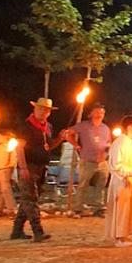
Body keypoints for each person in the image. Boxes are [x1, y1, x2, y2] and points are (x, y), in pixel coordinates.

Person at [12, 98, 68, 243]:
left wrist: (60, 139)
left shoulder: (47, 127)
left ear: (49, 112)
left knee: (28, 198)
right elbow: (19, 148)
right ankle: (38, 231)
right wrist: (23, 167)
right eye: (41, 108)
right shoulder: (26, 126)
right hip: (29, 165)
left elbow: (49, 146)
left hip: (41, 166)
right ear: (35, 109)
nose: (43, 112)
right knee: (30, 199)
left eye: (46, 110)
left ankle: (16, 230)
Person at [106, 115, 132, 247]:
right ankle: (119, 237)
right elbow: (115, 165)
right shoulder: (120, 142)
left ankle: (124, 234)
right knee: (122, 209)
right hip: (121, 181)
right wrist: (130, 172)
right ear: (130, 126)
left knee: (129, 208)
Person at [72, 103, 112, 211]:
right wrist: (75, 144)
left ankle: (98, 207)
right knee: (83, 185)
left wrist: (108, 148)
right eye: (97, 112)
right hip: (87, 161)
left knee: (101, 185)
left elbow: (109, 142)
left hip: (102, 162)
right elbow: (68, 133)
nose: (100, 114)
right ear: (90, 114)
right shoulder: (84, 125)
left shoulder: (105, 128)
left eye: (102, 113)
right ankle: (78, 208)